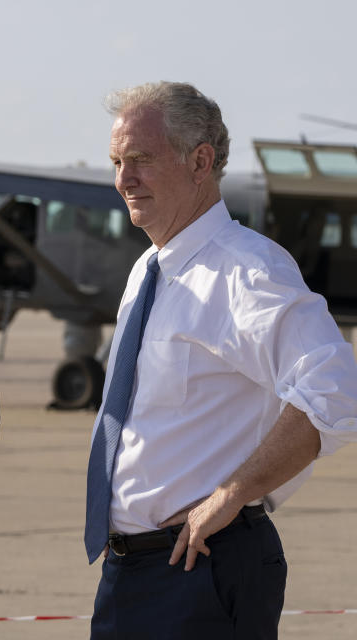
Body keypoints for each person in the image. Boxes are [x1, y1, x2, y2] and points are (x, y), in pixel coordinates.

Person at [83, 81, 357, 639]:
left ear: (200, 161)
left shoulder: (246, 270)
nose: (123, 179)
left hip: (202, 570)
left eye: (140, 159)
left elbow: (334, 388)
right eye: (116, 162)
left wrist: (232, 494)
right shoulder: (148, 271)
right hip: (130, 573)